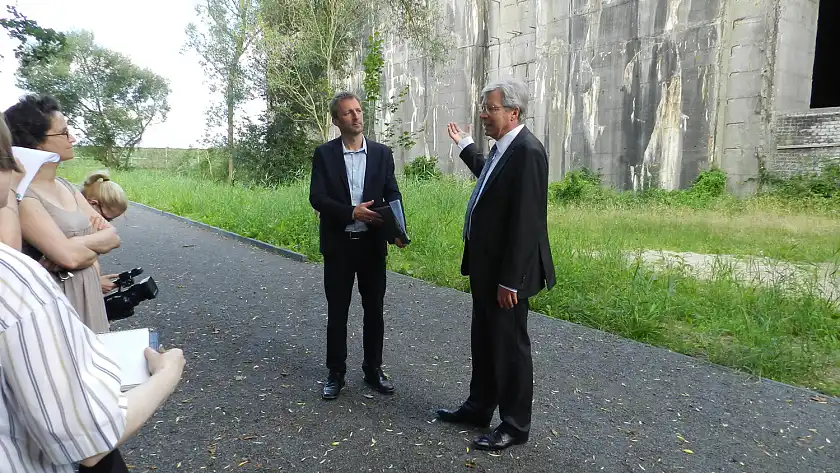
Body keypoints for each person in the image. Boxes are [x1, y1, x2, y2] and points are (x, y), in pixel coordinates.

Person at [0, 113, 187, 473]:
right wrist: (168, 372)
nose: (72, 137)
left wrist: (73, 252)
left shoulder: (68, 189)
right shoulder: (15, 281)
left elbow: (107, 239)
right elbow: (90, 440)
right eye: (9, 160)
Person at [436, 78, 556, 450]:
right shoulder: (505, 148)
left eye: (490, 108)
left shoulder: (528, 151)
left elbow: (527, 222)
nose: (484, 114)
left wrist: (512, 281)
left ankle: (515, 425)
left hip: (506, 275)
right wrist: (466, 146)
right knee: (485, 340)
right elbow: (490, 177)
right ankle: (478, 406)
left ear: (513, 112)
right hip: (486, 267)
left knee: (509, 347)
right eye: (484, 107)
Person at [309, 91, 406, 400]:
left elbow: (392, 194)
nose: (356, 116)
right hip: (339, 246)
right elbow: (318, 197)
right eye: (348, 112)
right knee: (337, 311)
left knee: (373, 309)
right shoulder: (325, 154)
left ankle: (373, 369)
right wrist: (351, 212)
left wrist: (399, 230)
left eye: (359, 110)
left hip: (371, 246)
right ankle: (335, 372)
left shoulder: (382, 154)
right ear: (337, 120)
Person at [5, 94, 120, 333]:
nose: (73, 138)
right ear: (35, 142)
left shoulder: (66, 186)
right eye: (64, 133)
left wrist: (74, 244)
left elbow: (113, 237)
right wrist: (85, 249)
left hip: (90, 296)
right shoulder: (23, 196)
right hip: (59, 303)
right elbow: (70, 258)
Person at [80, 170, 129, 293]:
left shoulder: (88, 228)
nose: (107, 225)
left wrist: (96, 279)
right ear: (92, 204)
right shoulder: (69, 230)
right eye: (106, 218)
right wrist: (95, 282)